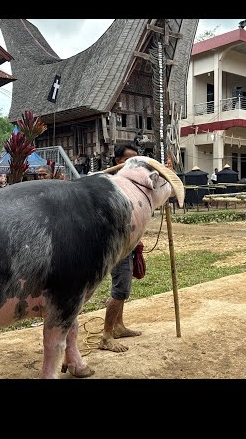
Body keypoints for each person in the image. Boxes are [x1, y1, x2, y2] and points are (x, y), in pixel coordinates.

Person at [100, 142, 142, 353]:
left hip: (129, 243)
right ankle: (107, 335)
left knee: (124, 288)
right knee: (120, 290)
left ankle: (119, 326)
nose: (133, 164)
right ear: (118, 161)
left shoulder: (131, 183)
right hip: (117, 245)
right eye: (128, 159)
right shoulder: (110, 182)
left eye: (136, 159)